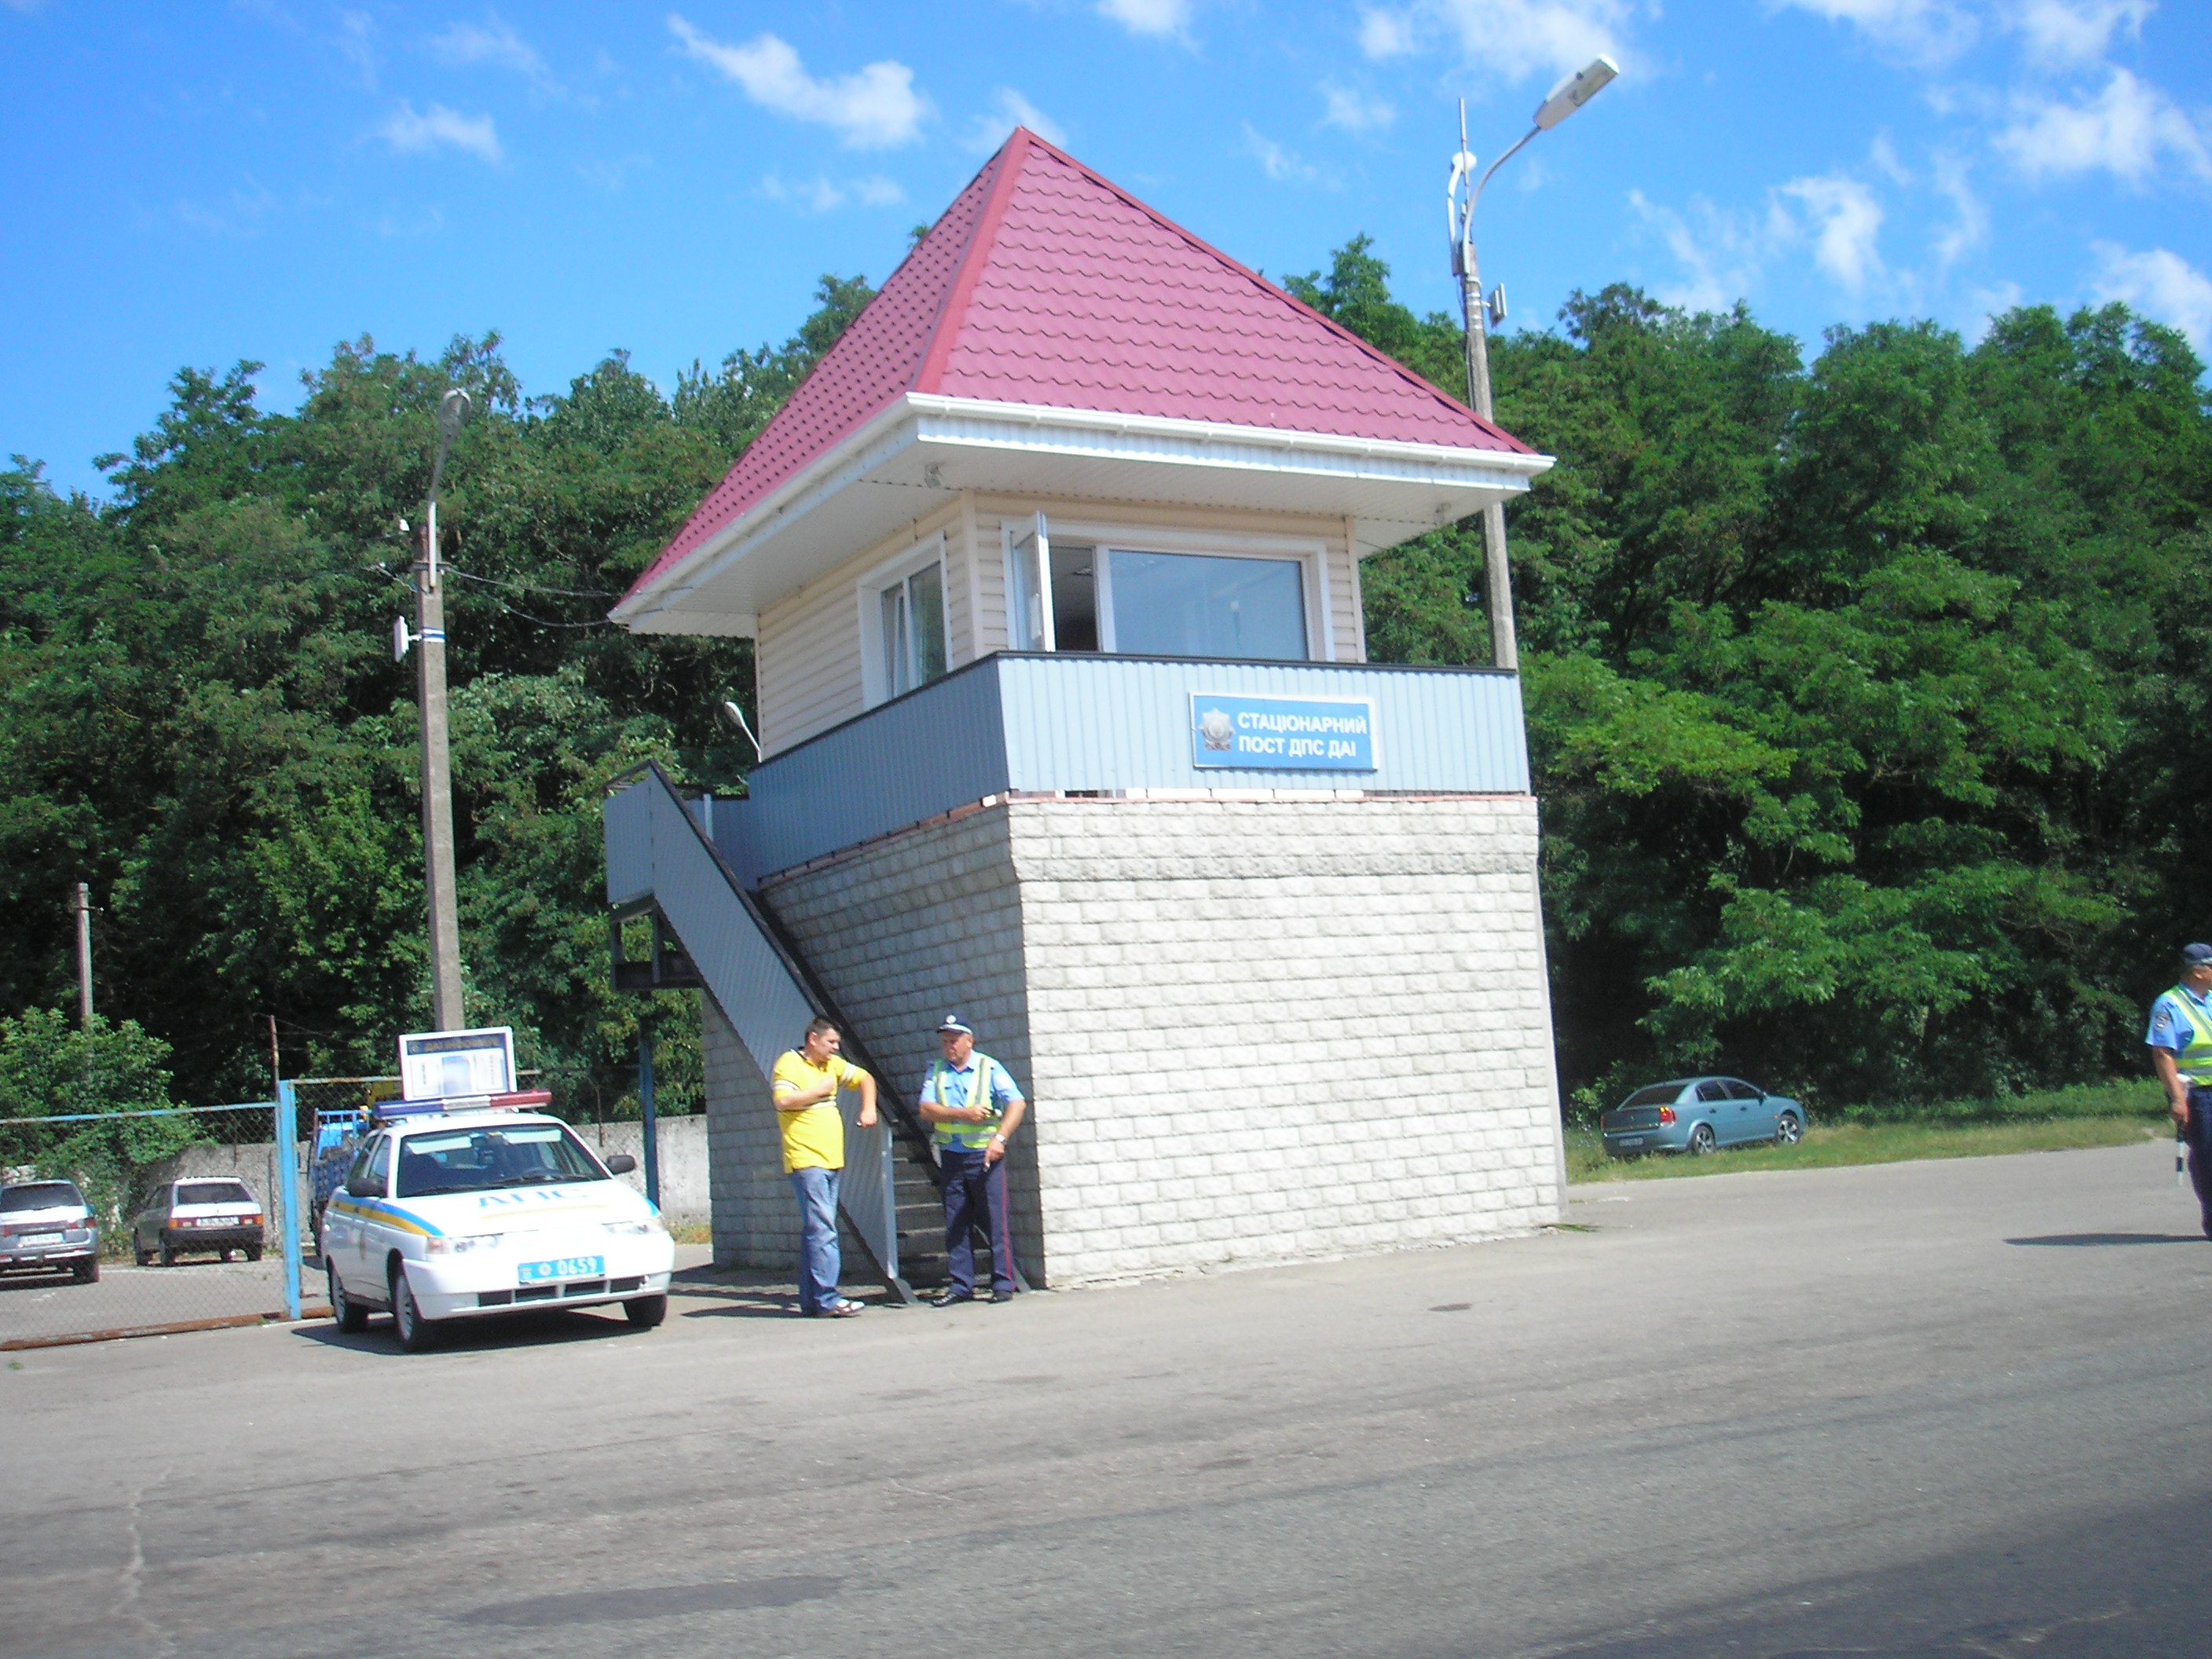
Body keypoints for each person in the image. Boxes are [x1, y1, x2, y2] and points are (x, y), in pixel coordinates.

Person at [770, 1016, 878, 1316]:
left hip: (832, 1159)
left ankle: (812, 1301)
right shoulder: (789, 1063)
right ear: (812, 1039)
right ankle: (828, 1298)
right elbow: (782, 1100)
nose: (834, 1048)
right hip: (806, 1159)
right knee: (823, 1229)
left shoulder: (832, 1065)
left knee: (815, 1230)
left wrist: (868, 1108)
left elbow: (865, 1078)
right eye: (830, 1042)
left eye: (837, 1044)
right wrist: (818, 1092)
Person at [915, 1014, 1027, 1306]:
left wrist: (1000, 1139)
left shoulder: (989, 1067)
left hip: (984, 1154)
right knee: (956, 1221)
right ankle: (961, 1284)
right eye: (944, 1041)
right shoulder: (936, 1070)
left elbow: (1016, 1102)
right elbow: (926, 1110)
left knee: (994, 1218)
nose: (948, 1046)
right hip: (951, 1154)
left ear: (969, 1041)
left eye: (954, 1040)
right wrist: (962, 1114)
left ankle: (1002, 1282)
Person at [2145, 942, 2212, 1241]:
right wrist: (2176, 1099)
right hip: (2196, 1095)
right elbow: (2162, 1053)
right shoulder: (2169, 1005)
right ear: (2199, 971)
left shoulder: (2211, 1000)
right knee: (2208, 1156)